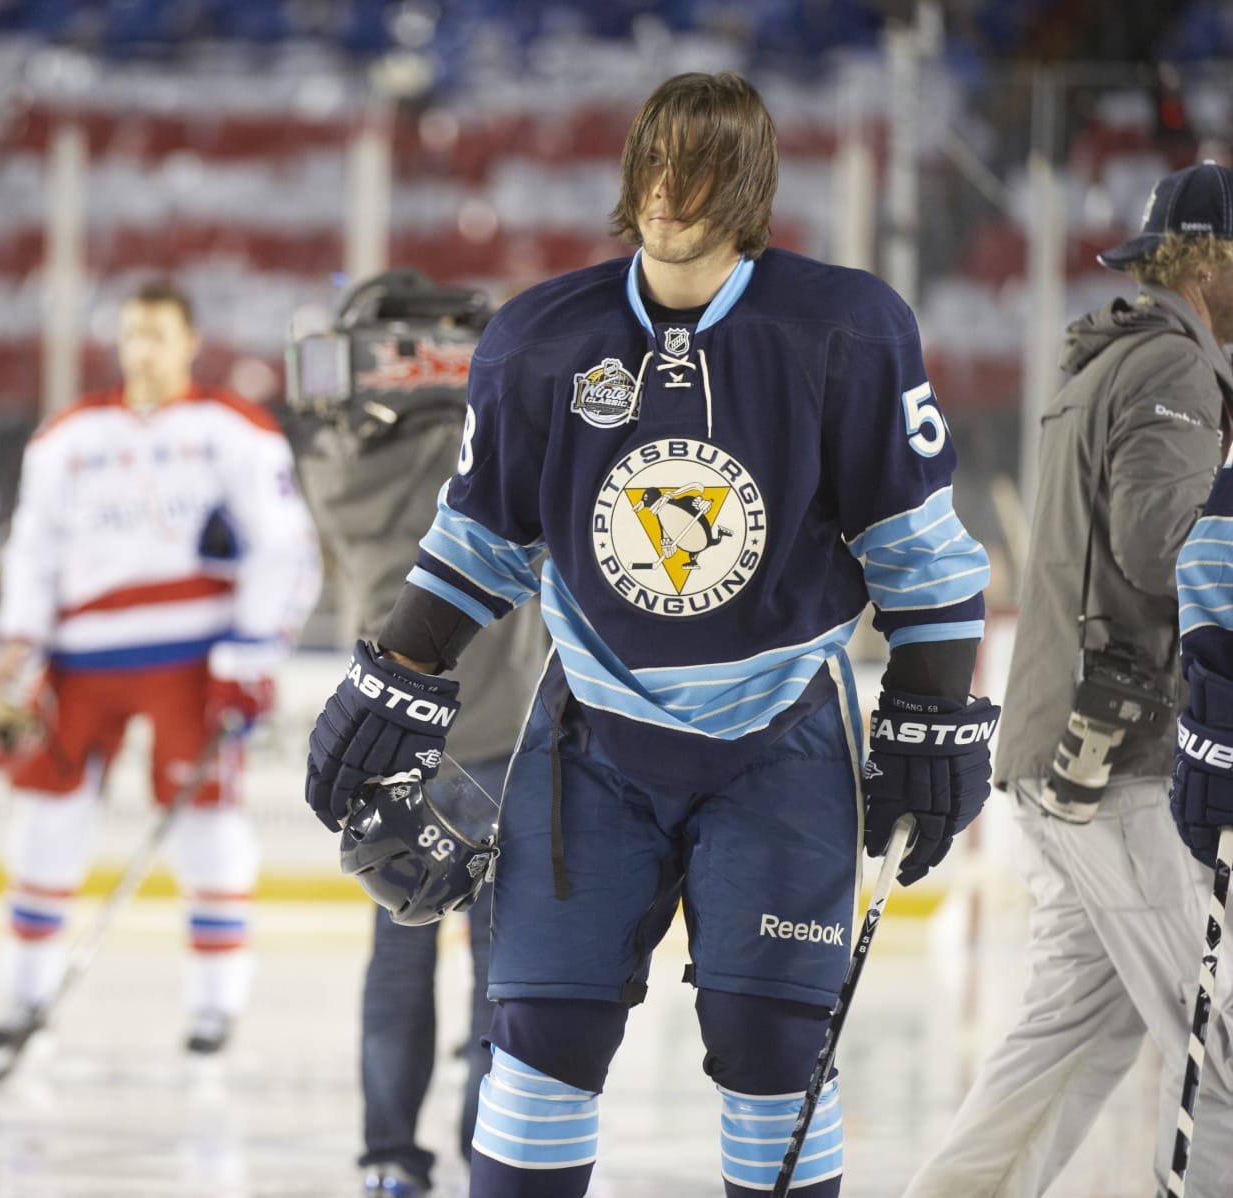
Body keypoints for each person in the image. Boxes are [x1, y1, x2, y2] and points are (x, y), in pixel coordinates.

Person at [302, 71, 996, 1198]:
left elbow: (919, 550)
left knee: (771, 1047)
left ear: (752, 183)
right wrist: (399, 666)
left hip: (781, 743)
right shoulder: (538, 336)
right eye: (658, 161)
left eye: (706, 164)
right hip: (594, 742)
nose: (673, 189)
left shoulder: (848, 327)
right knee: (537, 1037)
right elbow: (482, 540)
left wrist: (934, 703)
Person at [904, 161, 1233, 1196]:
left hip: (1060, 748)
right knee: (1219, 1052)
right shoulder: (1176, 371)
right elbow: (1157, 546)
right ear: (1213, 260)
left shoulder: (1108, 357)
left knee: (1065, 1042)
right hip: (1121, 765)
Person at [0, 279, 321, 1081]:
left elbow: (285, 548)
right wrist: (19, 645)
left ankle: (215, 1008)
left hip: (191, 662)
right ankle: (22, 1000)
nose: (142, 349)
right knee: (46, 826)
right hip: (81, 662)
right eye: (131, 334)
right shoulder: (65, 438)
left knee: (206, 829)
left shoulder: (233, 430)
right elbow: (33, 548)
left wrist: (250, 659)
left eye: (158, 333)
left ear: (190, 341)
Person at [284, 269, 550, 1198]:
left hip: (390, 736)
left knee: (398, 953)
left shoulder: (337, 455)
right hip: (500, 728)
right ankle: (489, 1148)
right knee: (497, 964)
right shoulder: (490, 448)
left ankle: (389, 1158)